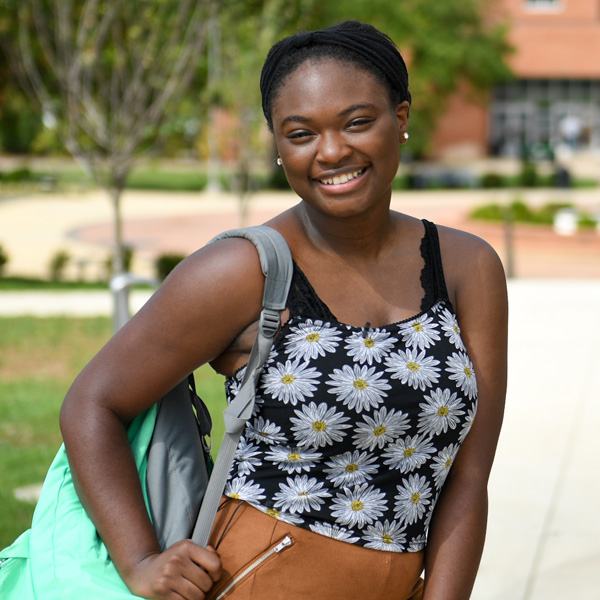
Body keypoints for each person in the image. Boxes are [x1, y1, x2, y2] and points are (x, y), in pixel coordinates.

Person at [3, 20, 508, 600]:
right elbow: (93, 402)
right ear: (277, 144)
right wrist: (140, 560)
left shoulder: (467, 268)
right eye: (301, 133)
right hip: (256, 577)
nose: (332, 151)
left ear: (401, 119)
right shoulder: (244, 270)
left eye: (358, 122)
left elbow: (468, 475)